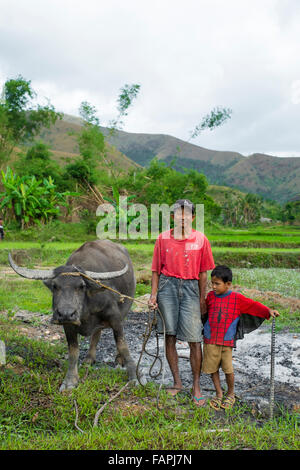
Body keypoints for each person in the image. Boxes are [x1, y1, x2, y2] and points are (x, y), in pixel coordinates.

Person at [148, 199, 215, 406]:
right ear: (172, 216)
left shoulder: (201, 239)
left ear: (193, 217)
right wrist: (153, 295)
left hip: (191, 288)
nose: (182, 217)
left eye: (187, 214)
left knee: (195, 338)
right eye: (178, 213)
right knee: (170, 335)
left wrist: (202, 299)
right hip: (167, 287)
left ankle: (196, 385)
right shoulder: (163, 239)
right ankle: (177, 382)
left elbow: (203, 273)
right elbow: (156, 271)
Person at [202, 265, 280, 410]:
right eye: (212, 283)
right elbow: (204, 311)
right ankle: (219, 393)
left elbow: (253, 305)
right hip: (210, 339)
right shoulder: (210, 297)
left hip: (226, 342)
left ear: (228, 284)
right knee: (212, 369)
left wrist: (268, 311)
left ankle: (230, 394)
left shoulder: (237, 298)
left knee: (228, 369)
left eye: (217, 283)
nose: (213, 286)